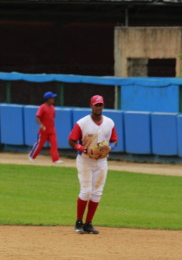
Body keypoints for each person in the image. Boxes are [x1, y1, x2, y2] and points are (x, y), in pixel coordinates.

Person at [68, 95, 118, 234]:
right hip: (85, 160)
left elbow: (114, 140)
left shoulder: (109, 122)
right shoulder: (82, 123)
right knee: (86, 191)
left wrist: (111, 147)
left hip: (101, 161)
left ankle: (88, 223)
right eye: (96, 105)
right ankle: (78, 222)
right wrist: (84, 149)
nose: (98, 107)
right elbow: (72, 141)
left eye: (100, 105)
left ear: (103, 106)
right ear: (91, 106)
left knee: (97, 193)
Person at [28, 91, 63, 164]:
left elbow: (52, 118)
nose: (53, 99)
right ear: (48, 99)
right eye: (52, 98)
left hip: (52, 130)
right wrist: (41, 125)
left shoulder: (53, 107)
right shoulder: (42, 107)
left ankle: (55, 159)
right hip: (43, 130)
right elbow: (37, 117)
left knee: (54, 144)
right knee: (39, 144)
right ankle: (32, 156)